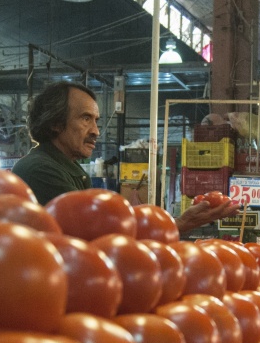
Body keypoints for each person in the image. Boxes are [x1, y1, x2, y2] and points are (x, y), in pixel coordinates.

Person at [13, 81, 238, 233]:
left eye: (96, 121)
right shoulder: (40, 170)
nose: (96, 131)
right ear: (55, 123)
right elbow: (98, 235)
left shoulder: (67, 168)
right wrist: (179, 224)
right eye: (85, 119)